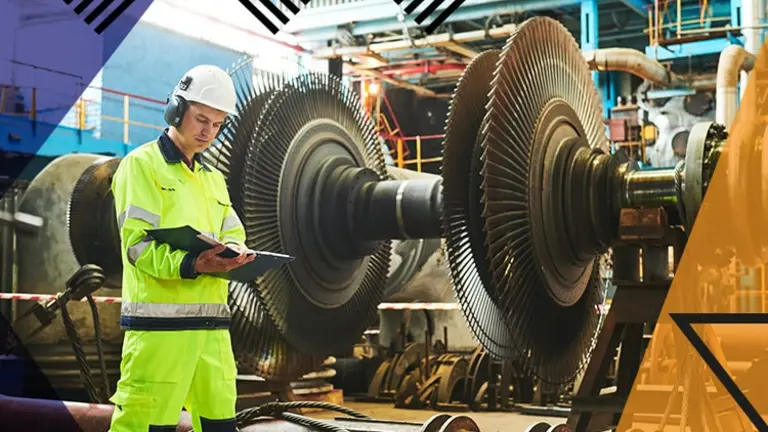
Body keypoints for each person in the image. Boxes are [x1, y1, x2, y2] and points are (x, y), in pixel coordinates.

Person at [108, 64, 255, 432]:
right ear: (176, 110)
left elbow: (233, 229)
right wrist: (193, 264)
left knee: (220, 426)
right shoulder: (141, 167)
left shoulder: (213, 180)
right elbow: (137, 247)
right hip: (160, 335)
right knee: (144, 426)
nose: (209, 132)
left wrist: (235, 251)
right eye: (201, 119)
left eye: (218, 124)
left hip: (214, 335)